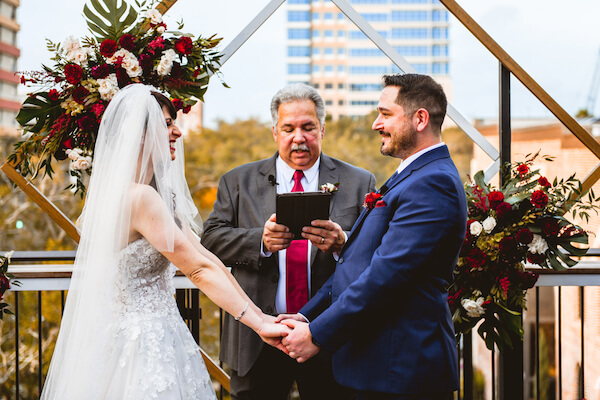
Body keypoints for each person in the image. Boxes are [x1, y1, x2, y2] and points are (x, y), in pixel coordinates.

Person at [40, 84, 287, 399]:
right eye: (167, 123)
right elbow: (197, 270)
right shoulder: (140, 198)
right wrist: (260, 326)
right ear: (140, 134)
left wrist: (261, 316)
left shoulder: (150, 196)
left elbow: (207, 259)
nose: (177, 133)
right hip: (140, 346)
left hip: (156, 335)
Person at [279, 74, 467, 400]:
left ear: (420, 118)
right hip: (378, 365)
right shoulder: (413, 174)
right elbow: (358, 262)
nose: (376, 124)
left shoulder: (432, 183)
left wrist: (316, 334)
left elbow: (384, 277)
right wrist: (306, 314)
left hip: (400, 367)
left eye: (385, 113)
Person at [201, 83, 376, 400]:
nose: (299, 137)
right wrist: (260, 241)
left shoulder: (359, 181)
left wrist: (342, 244)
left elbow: (374, 252)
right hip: (256, 339)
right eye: (289, 128)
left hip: (328, 338)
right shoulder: (237, 181)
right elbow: (210, 240)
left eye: (308, 127)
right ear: (274, 132)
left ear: (322, 129)